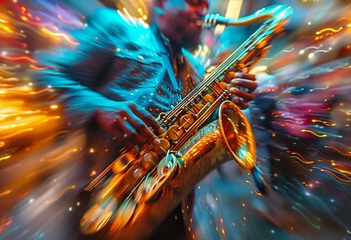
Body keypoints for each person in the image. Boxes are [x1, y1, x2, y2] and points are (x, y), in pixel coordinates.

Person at [34, 0, 259, 238]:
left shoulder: (196, 69)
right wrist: (100, 107)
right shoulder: (117, 28)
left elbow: (197, 130)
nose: (204, 11)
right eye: (195, 2)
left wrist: (229, 99)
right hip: (105, 205)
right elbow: (49, 78)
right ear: (161, 4)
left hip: (171, 215)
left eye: (206, 5)